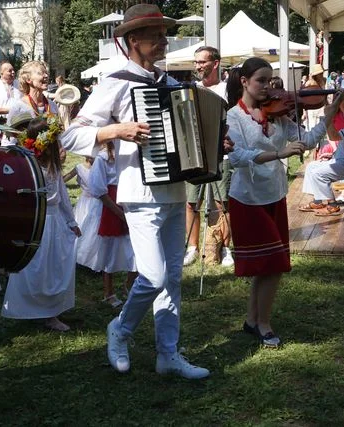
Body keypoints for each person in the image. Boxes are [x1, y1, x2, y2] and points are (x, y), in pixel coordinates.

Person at [61, 4, 211, 379]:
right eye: (156, 35)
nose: (163, 41)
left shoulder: (173, 84)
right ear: (132, 40)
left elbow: (192, 135)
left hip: (175, 190)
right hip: (140, 193)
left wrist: (212, 144)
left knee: (173, 277)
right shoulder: (116, 81)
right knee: (154, 275)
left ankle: (168, 353)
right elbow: (71, 135)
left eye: (164, 34)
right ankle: (120, 329)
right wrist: (117, 130)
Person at [226, 57, 339, 348]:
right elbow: (237, 158)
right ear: (244, 82)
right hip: (248, 198)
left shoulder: (277, 115)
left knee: (268, 265)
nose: (268, 88)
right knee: (273, 265)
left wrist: (331, 111)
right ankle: (264, 324)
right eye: (261, 81)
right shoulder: (234, 117)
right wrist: (279, 154)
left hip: (275, 193)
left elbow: (309, 140)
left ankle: (252, 321)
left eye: (269, 80)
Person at [1, 114, 81, 331]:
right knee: (36, 267)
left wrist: (71, 221)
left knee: (54, 267)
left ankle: (51, 312)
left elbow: (62, 194)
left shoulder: (52, 165)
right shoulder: (29, 164)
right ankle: (33, 308)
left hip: (55, 222)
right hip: (37, 222)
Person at [184, 45, 233, 267]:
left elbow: (235, 121)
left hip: (221, 155)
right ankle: (192, 248)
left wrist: (229, 139)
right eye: (196, 62)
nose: (198, 66)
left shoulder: (228, 90)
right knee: (191, 201)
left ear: (215, 63)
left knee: (222, 202)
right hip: (193, 154)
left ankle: (225, 248)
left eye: (202, 62)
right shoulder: (190, 90)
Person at [83, 142, 137, 307]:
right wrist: (119, 213)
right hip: (112, 205)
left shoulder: (131, 154)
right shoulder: (103, 158)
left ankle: (130, 284)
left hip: (131, 200)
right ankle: (108, 292)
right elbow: (98, 190)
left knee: (135, 248)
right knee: (111, 250)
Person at [4, 61, 57, 146]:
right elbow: (8, 140)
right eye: (41, 73)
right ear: (28, 80)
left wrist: (61, 148)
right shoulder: (19, 107)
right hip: (28, 156)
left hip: (51, 156)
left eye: (46, 73)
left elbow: (58, 134)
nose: (46, 76)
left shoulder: (52, 105)